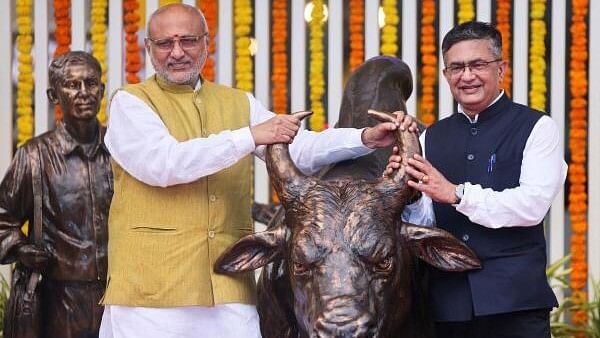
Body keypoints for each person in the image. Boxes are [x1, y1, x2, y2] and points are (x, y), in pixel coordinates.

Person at [99, 4, 417, 338]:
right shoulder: (130, 103)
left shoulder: (238, 102)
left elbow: (299, 149)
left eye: (188, 41)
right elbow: (163, 164)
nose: (177, 52)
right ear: (148, 48)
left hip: (226, 286)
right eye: (165, 44)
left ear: (207, 44)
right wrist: (250, 136)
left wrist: (363, 138)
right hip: (150, 288)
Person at [387, 21, 567, 338]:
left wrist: (456, 194)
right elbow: (424, 220)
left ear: (501, 69)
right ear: (445, 75)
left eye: (477, 65)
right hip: (445, 305)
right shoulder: (432, 137)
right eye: (456, 67)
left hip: (515, 304)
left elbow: (532, 206)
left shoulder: (538, 128)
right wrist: (408, 193)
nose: (466, 76)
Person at [0, 51, 111, 337]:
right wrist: (21, 249)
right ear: (53, 95)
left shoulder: (120, 151)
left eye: (91, 83)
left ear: (102, 90)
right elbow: (2, 219)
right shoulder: (34, 156)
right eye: (72, 85)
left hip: (118, 300)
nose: (84, 92)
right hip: (59, 303)